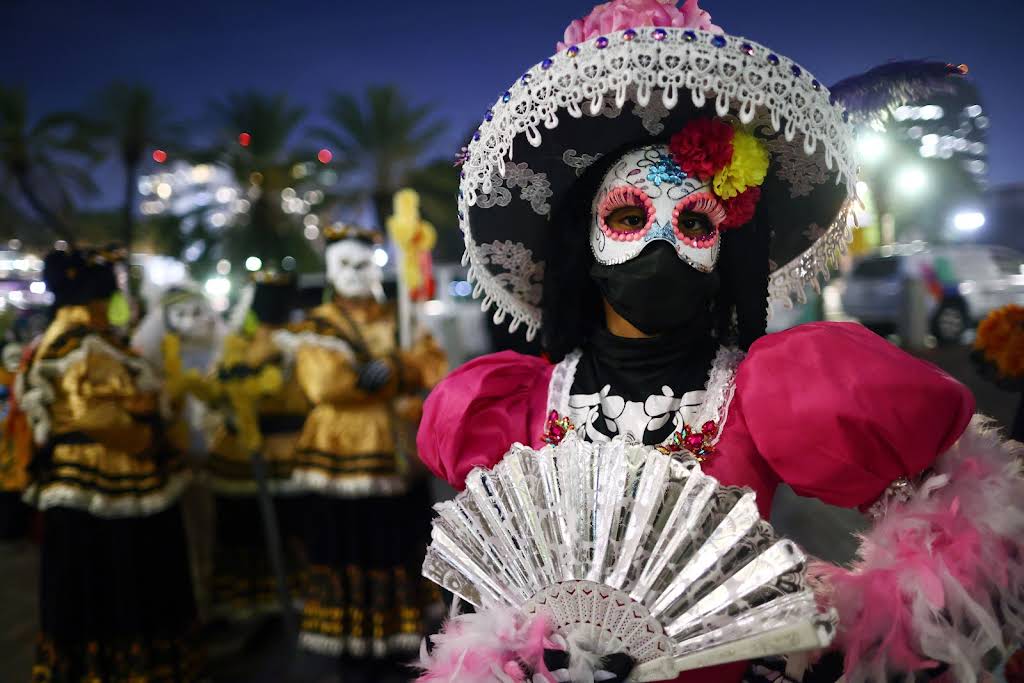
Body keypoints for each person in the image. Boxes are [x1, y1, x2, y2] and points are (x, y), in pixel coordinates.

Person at [415, 2, 1024, 682]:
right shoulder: (512, 406)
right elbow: (484, 605)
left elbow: (960, 514)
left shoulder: (769, 389)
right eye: (627, 215)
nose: (660, 245)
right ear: (580, 240)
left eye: (696, 223)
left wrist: (845, 629)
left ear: (725, 246)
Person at [18, 245, 201, 682]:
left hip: (112, 475)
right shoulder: (78, 345)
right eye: (110, 289)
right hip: (105, 479)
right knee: (114, 579)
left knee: (117, 578)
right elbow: (94, 414)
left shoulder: (93, 341)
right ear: (94, 294)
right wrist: (149, 431)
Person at [276, 224, 447, 676]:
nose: (354, 273)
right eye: (344, 265)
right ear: (330, 271)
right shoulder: (318, 326)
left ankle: (401, 642)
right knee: (346, 549)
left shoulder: (400, 317)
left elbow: (432, 364)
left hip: (398, 458)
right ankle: (353, 647)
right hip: (340, 462)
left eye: (362, 264)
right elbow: (327, 384)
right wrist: (395, 374)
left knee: (399, 544)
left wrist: (390, 368)